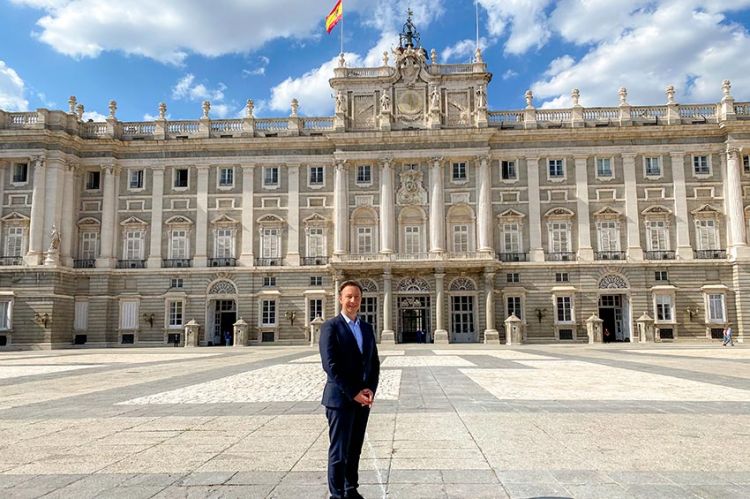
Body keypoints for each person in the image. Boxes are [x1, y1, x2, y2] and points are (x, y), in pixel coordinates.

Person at [320, 280, 380, 499]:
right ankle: (336, 496)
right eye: (349, 297)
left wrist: (370, 390)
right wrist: (354, 392)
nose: (353, 301)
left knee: (355, 449)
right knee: (339, 451)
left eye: (356, 297)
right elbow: (330, 366)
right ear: (340, 299)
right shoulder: (331, 327)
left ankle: (350, 489)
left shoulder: (366, 328)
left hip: (362, 399)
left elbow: (373, 363)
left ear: (361, 300)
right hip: (339, 399)